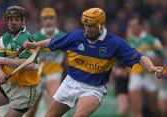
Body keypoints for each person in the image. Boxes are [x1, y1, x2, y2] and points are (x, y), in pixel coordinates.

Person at [24, 8, 164, 117]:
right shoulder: (76, 36)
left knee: (80, 115)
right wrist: (35, 45)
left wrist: (151, 68)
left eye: (91, 26)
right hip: (70, 82)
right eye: (85, 25)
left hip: (94, 88)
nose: (87, 29)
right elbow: (52, 42)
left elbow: (139, 57)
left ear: (101, 25)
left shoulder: (114, 43)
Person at [0, 6, 41, 117]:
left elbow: (30, 65)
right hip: (9, 83)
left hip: (26, 89)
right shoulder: (4, 38)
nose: (13, 22)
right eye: (10, 19)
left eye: (17, 19)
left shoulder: (28, 40)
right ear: (6, 21)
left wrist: (4, 60)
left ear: (23, 21)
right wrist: (0, 73)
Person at [26, 7, 66, 117]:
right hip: (37, 75)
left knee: (54, 103)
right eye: (45, 18)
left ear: (56, 20)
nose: (48, 21)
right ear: (41, 21)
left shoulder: (63, 37)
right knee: (32, 110)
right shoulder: (34, 37)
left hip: (54, 74)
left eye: (51, 18)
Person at [127, 17, 164, 117]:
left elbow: (162, 56)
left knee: (154, 107)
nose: (131, 28)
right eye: (131, 26)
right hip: (135, 75)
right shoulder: (130, 42)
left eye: (134, 25)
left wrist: (153, 63)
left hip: (151, 75)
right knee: (136, 107)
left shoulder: (152, 40)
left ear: (141, 26)